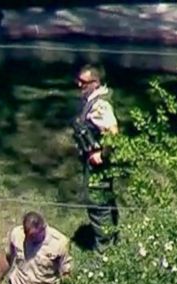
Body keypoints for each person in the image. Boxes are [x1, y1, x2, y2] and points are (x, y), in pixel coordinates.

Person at [71, 64, 120, 253]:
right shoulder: (95, 99)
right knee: (104, 198)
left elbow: (113, 134)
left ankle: (105, 251)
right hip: (95, 161)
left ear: (96, 83)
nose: (79, 85)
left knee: (97, 202)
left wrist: (102, 154)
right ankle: (111, 237)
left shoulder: (100, 105)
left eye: (83, 83)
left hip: (98, 165)